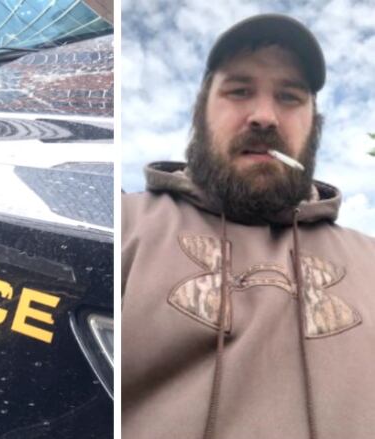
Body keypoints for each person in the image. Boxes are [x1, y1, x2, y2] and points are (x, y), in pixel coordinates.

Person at [122, 14, 375, 439]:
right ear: (200, 114)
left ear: (316, 124)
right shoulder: (125, 225)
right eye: (239, 91)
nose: (264, 117)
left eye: (290, 97)